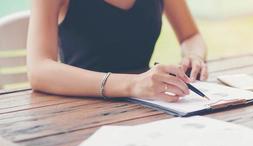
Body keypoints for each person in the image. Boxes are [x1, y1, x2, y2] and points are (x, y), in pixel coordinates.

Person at [27, 0, 208, 102]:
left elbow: (190, 36)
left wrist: (194, 55)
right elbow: (38, 69)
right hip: (79, 105)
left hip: (144, 104)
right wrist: (132, 84)